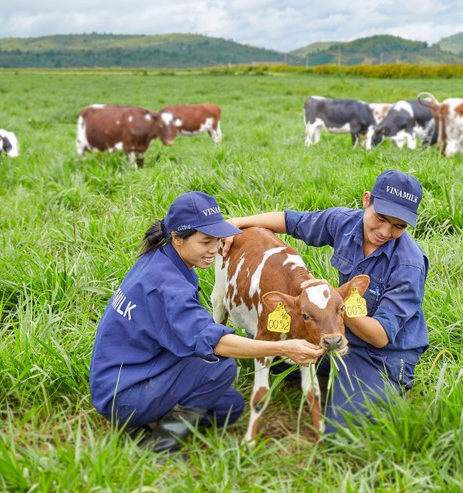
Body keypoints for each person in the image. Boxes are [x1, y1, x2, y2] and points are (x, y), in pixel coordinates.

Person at [89, 191, 324, 454]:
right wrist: (284, 347)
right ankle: (160, 447)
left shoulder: (163, 259)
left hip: (137, 369)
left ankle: (151, 421)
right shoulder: (168, 287)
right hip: (122, 393)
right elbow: (216, 343)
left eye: (217, 239)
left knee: (229, 406)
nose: (215, 249)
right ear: (177, 238)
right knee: (220, 368)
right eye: (205, 241)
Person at [223, 170, 429, 433]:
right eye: (381, 218)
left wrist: (331, 302)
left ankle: (389, 384)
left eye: (399, 226)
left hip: (383, 351)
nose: (385, 231)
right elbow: (292, 221)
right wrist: (237, 222)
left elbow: (380, 337)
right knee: (273, 353)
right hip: (334, 328)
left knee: (345, 429)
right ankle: (332, 370)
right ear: (367, 200)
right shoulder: (345, 222)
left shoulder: (408, 265)